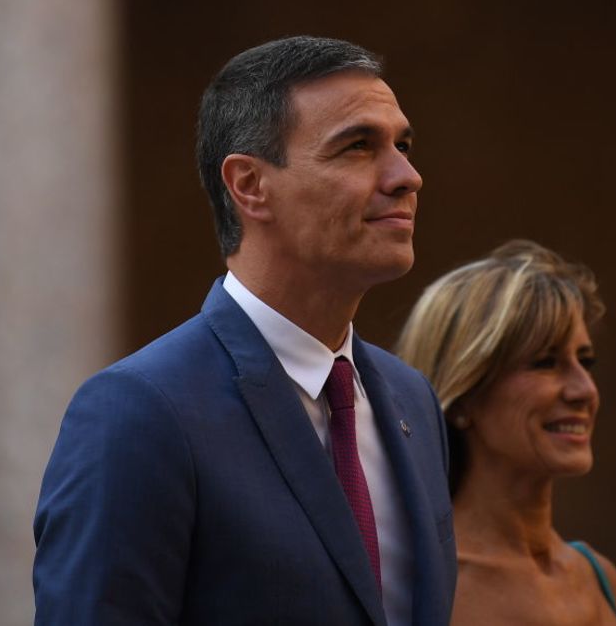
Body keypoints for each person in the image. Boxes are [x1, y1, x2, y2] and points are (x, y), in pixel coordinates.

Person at [33, 36, 456, 625]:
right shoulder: (139, 413)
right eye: (358, 147)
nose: (406, 176)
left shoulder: (413, 400)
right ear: (250, 185)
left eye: (402, 145)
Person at [396, 240, 616, 625]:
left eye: (585, 361)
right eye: (545, 362)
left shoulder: (597, 577)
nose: (585, 390)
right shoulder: (424, 588)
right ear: (462, 398)